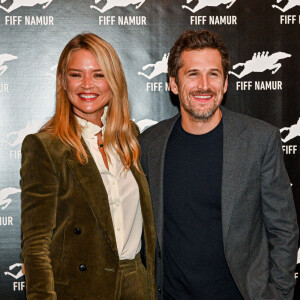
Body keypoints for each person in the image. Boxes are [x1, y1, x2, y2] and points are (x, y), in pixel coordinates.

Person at [139, 30, 299, 300]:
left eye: (213, 74)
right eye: (192, 74)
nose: (204, 85)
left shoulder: (260, 140)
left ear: (225, 84)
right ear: (174, 84)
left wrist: (279, 295)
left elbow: (283, 229)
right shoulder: (149, 144)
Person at [21, 33, 156, 300]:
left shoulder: (130, 137)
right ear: (62, 81)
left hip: (136, 285)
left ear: (114, 80)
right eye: (76, 75)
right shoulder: (45, 146)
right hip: (81, 289)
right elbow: (36, 245)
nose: (87, 85)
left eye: (98, 74)